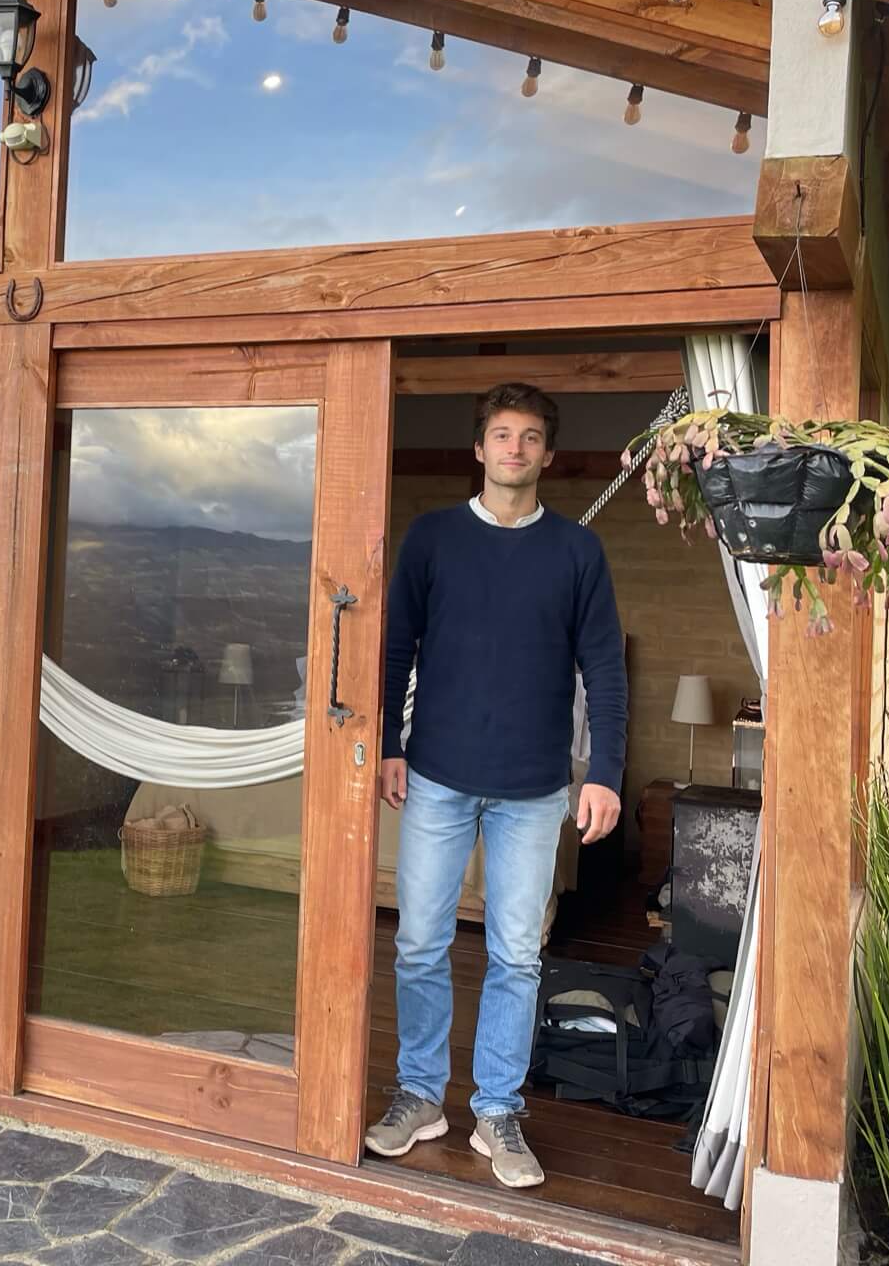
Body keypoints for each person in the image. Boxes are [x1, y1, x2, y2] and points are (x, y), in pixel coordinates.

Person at [362, 382, 628, 1188]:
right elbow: (393, 648)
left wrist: (605, 774)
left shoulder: (576, 552)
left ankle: (497, 1111)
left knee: (515, 955)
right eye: (501, 435)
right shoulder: (433, 539)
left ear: (547, 454)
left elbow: (605, 671)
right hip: (436, 776)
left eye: (529, 437)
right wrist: (386, 744)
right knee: (417, 944)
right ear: (478, 449)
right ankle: (418, 1096)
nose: (514, 448)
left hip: (534, 790)